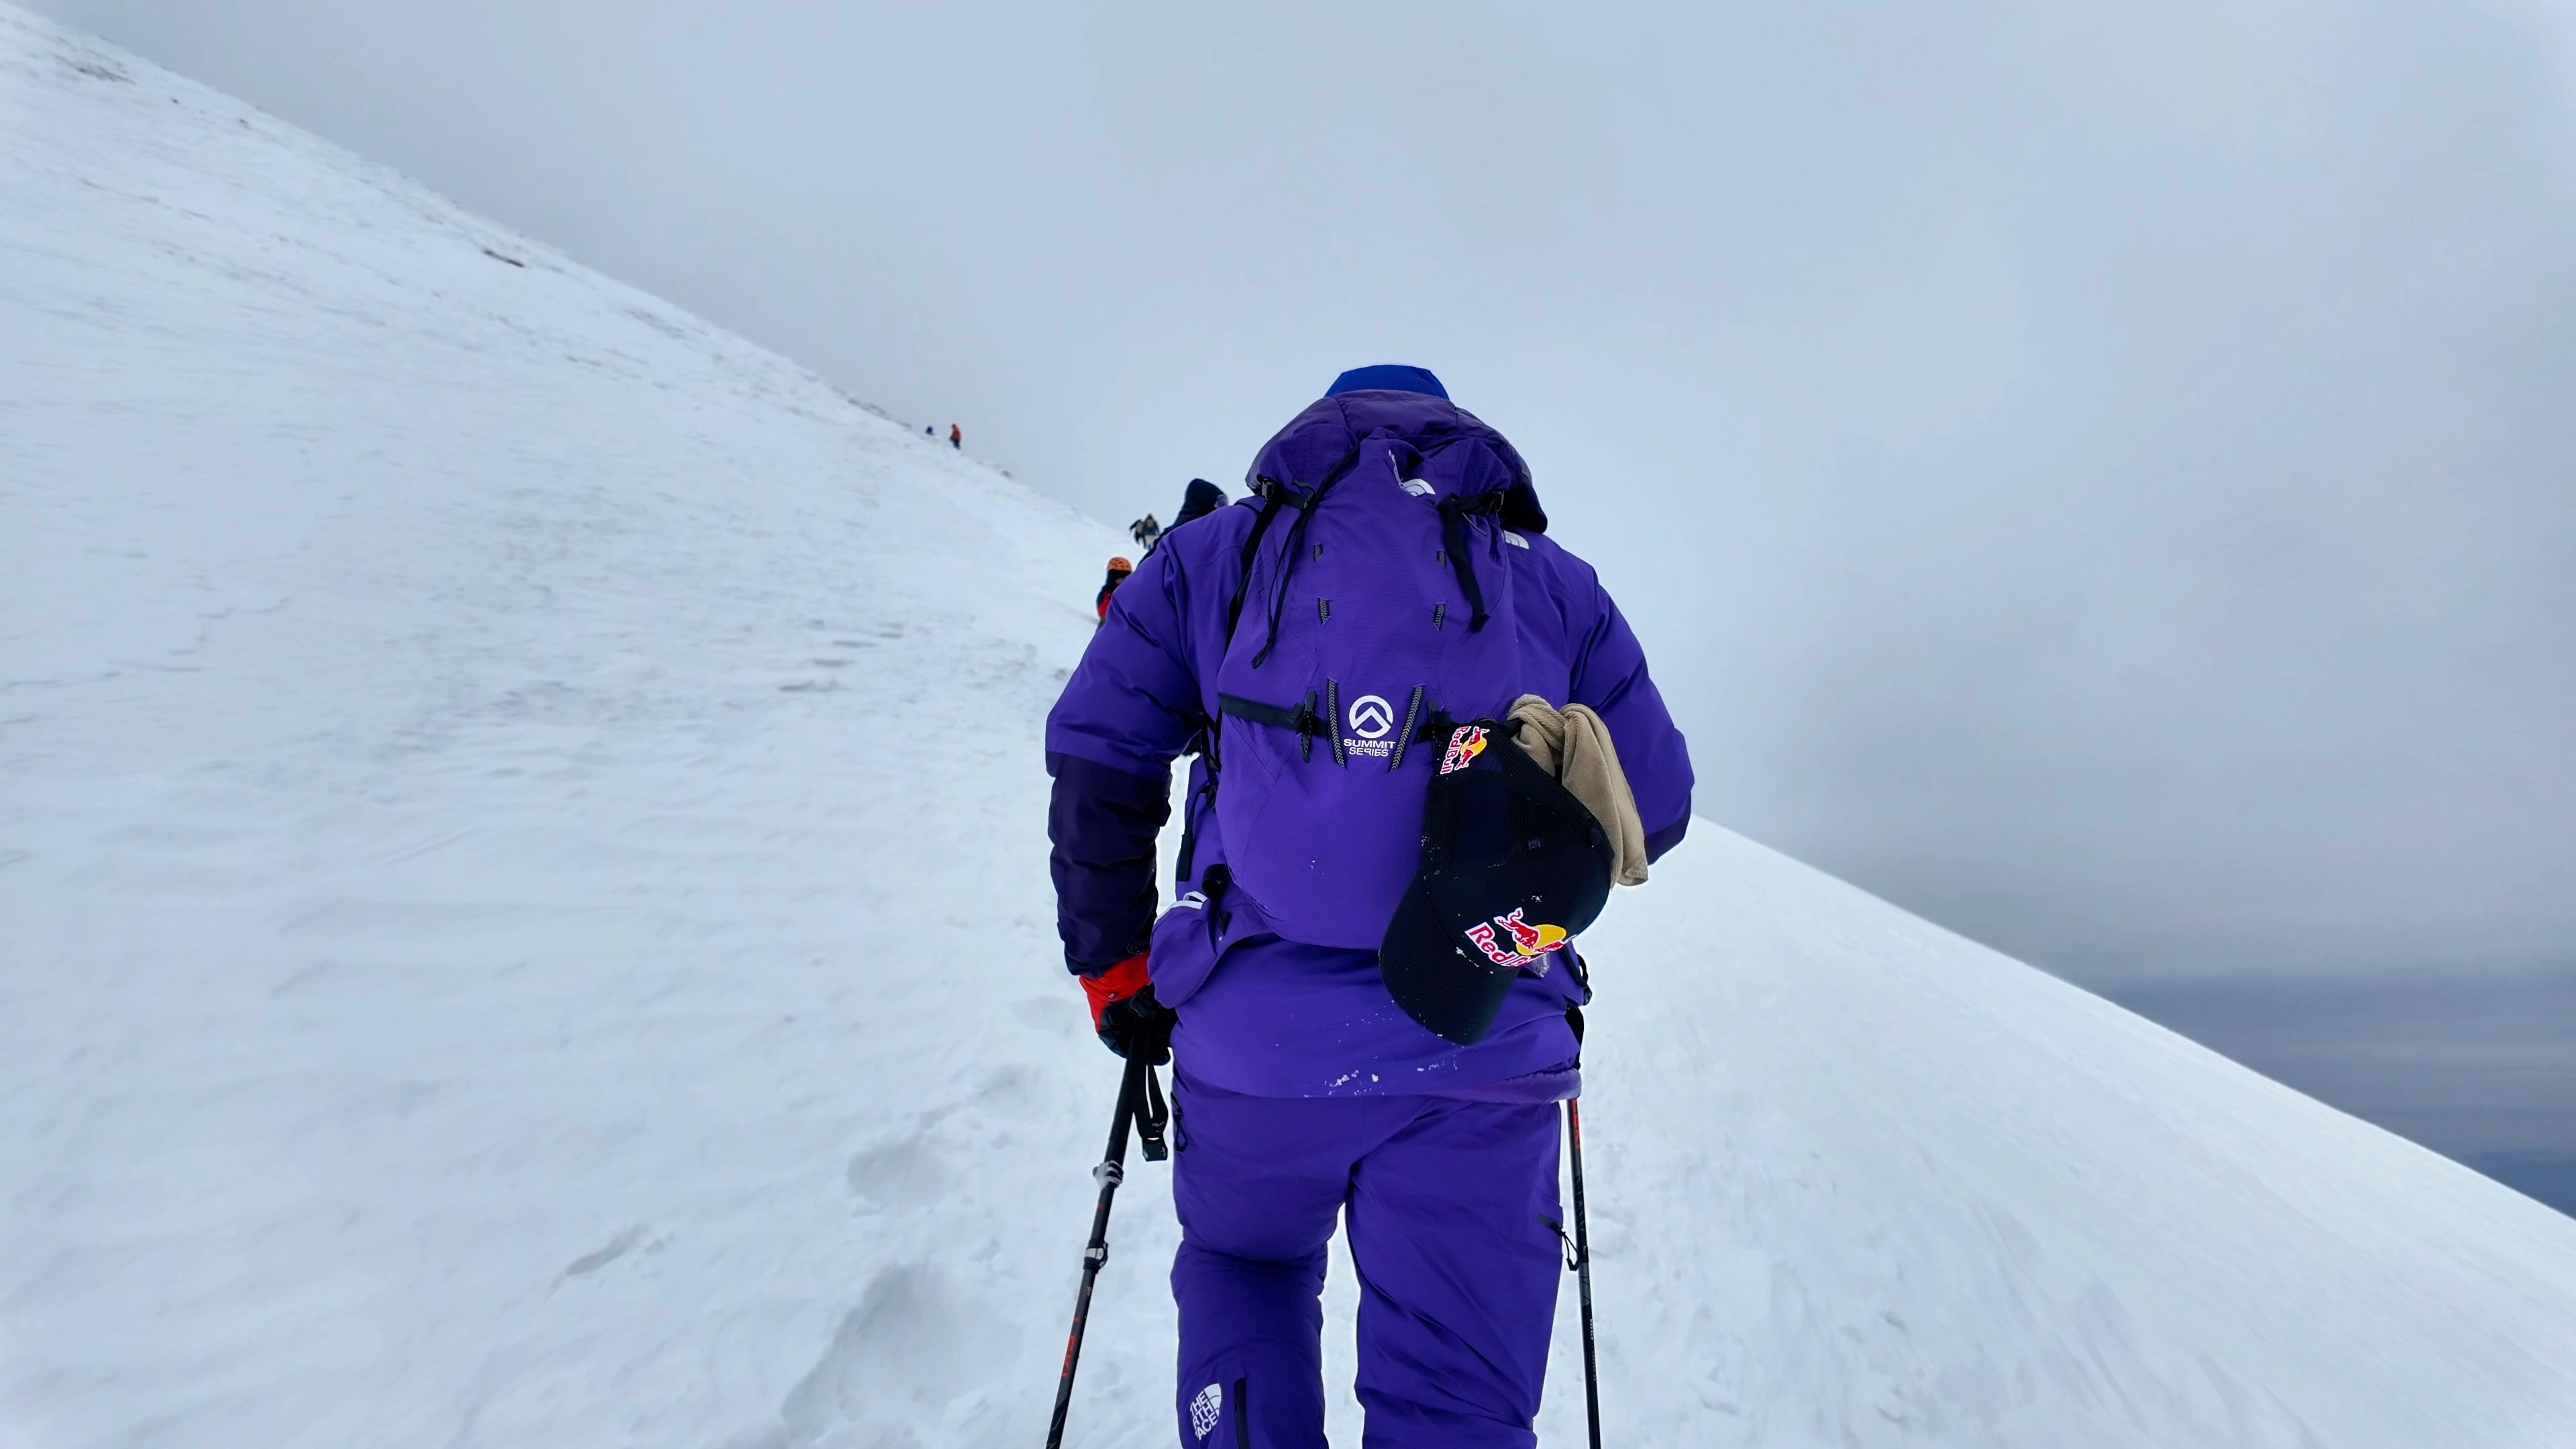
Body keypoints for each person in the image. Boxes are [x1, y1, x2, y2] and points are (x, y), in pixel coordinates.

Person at [1045, 364, 1693, 1447]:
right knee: (1458, 1400)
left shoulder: (1216, 557)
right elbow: (1658, 809)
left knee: (1245, 1266)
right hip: (1484, 1040)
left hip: (1253, 1039)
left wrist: (1117, 973)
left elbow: (1100, 765)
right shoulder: (1557, 585)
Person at [1095, 555, 1134, 621]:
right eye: (1122, 577)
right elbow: (1107, 615)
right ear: (1114, 578)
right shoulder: (1108, 595)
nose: (1125, 580)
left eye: (1127, 577)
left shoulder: (1128, 591)